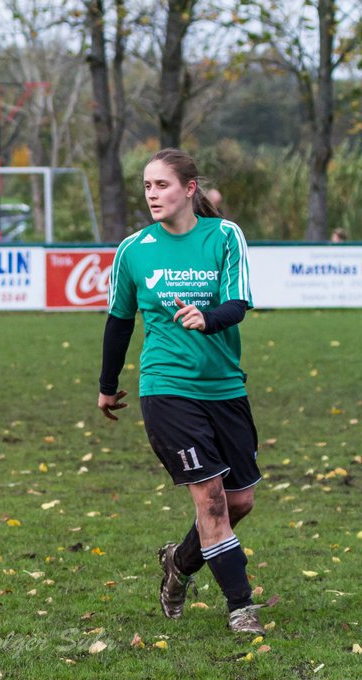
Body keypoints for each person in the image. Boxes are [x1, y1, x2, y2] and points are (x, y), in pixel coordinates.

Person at [98, 148, 264, 634]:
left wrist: (206, 318)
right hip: (166, 388)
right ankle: (242, 607)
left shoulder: (225, 236)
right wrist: (108, 386)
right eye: (147, 186)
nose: (152, 194)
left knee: (240, 503)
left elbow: (237, 304)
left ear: (189, 188)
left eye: (162, 185)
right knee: (210, 501)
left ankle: (179, 562)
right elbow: (118, 322)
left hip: (225, 387)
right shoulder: (134, 249)